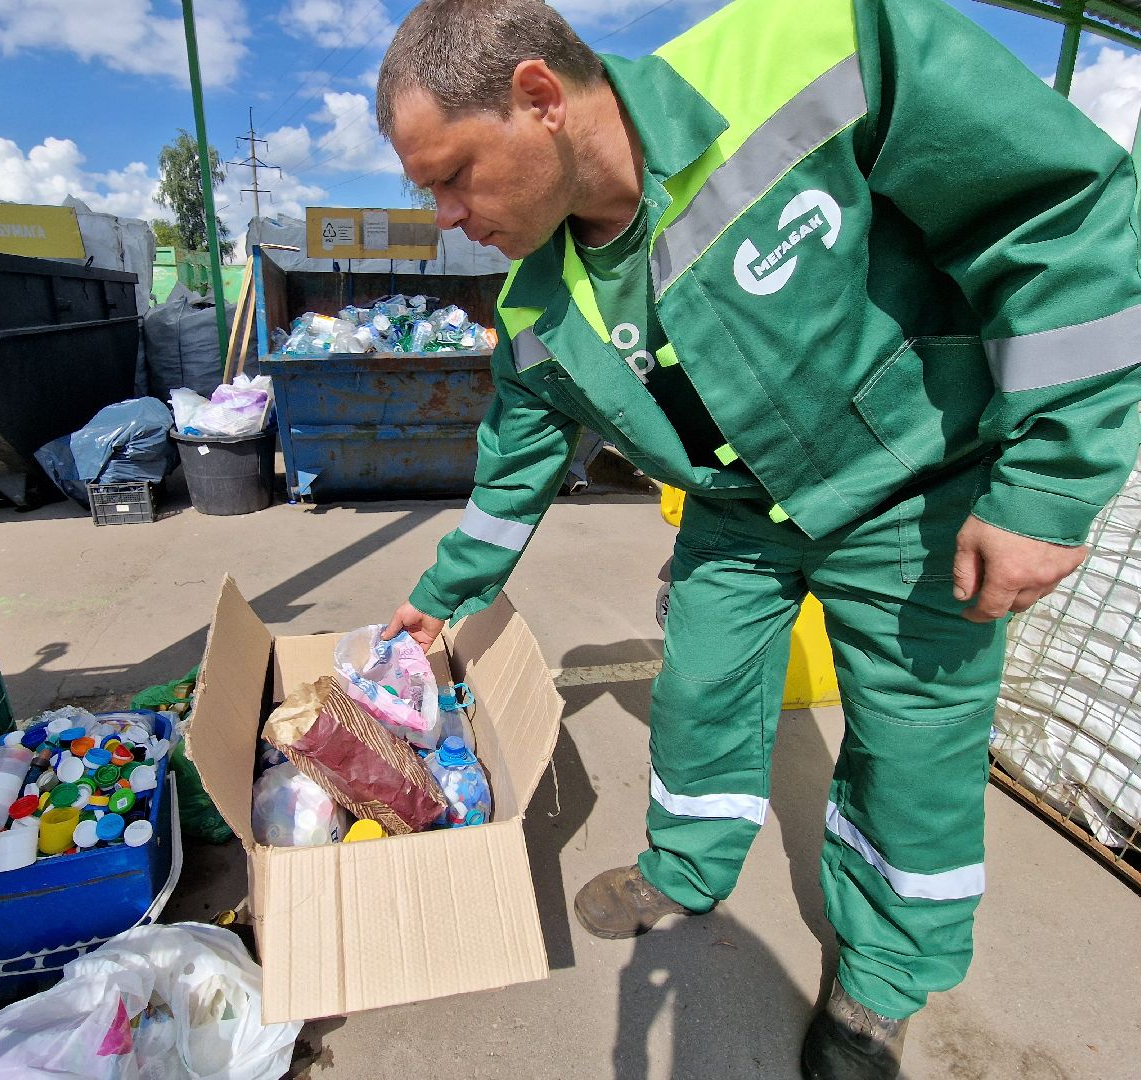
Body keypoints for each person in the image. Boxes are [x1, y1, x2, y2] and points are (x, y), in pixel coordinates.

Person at [373, 1, 1141, 1078]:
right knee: (699, 698)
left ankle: (878, 988)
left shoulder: (812, 51)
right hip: (737, 520)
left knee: (912, 763)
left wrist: (1047, 486)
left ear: (540, 99)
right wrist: (448, 592)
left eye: (449, 175)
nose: (445, 215)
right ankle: (686, 868)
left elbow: (1058, 212)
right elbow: (516, 466)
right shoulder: (536, 303)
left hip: (912, 485)